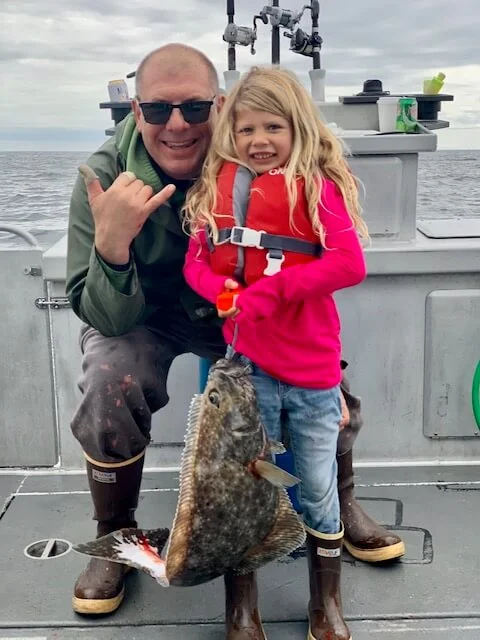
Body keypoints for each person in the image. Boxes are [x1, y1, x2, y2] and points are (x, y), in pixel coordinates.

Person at [66, 41, 404, 636]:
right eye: (156, 110)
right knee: (108, 383)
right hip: (147, 315)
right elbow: (100, 314)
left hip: (241, 313)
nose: (177, 125)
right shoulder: (101, 177)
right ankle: (115, 532)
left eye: (196, 109)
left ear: (219, 108)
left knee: (331, 398)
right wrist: (112, 246)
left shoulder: (256, 161)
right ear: (133, 112)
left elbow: (331, 245)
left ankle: (336, 504)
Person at [182, 64, 367, 640]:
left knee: (316, 488)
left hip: (312, 376)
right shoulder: (217, 192)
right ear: (229, 137)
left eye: (273, 128)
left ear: (298, 129)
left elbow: (349, 263)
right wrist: (226, 293)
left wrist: (271, 293)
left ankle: (325, 605)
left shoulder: (319, 189)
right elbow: (196, 264)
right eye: (245, 131)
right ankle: (242, 609)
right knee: (247, 487)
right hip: (246, 377)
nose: (259, 141)